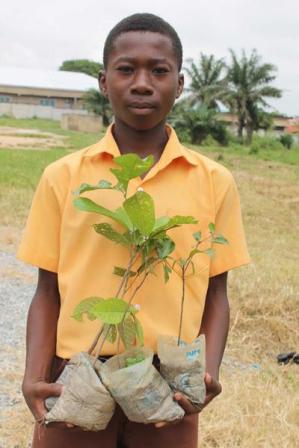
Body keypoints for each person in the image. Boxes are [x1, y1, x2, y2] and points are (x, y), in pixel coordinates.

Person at [17, 13, 250, 448]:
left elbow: (217, 294)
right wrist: (34, 375)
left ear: (179, 84)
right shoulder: (63, 177)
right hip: (77, 377)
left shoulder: (214, 181)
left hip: (170, 386)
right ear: (105, 82)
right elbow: (46, 290)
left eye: (159, 71)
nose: (142, 83)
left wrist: (208, 372)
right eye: (126, 69)